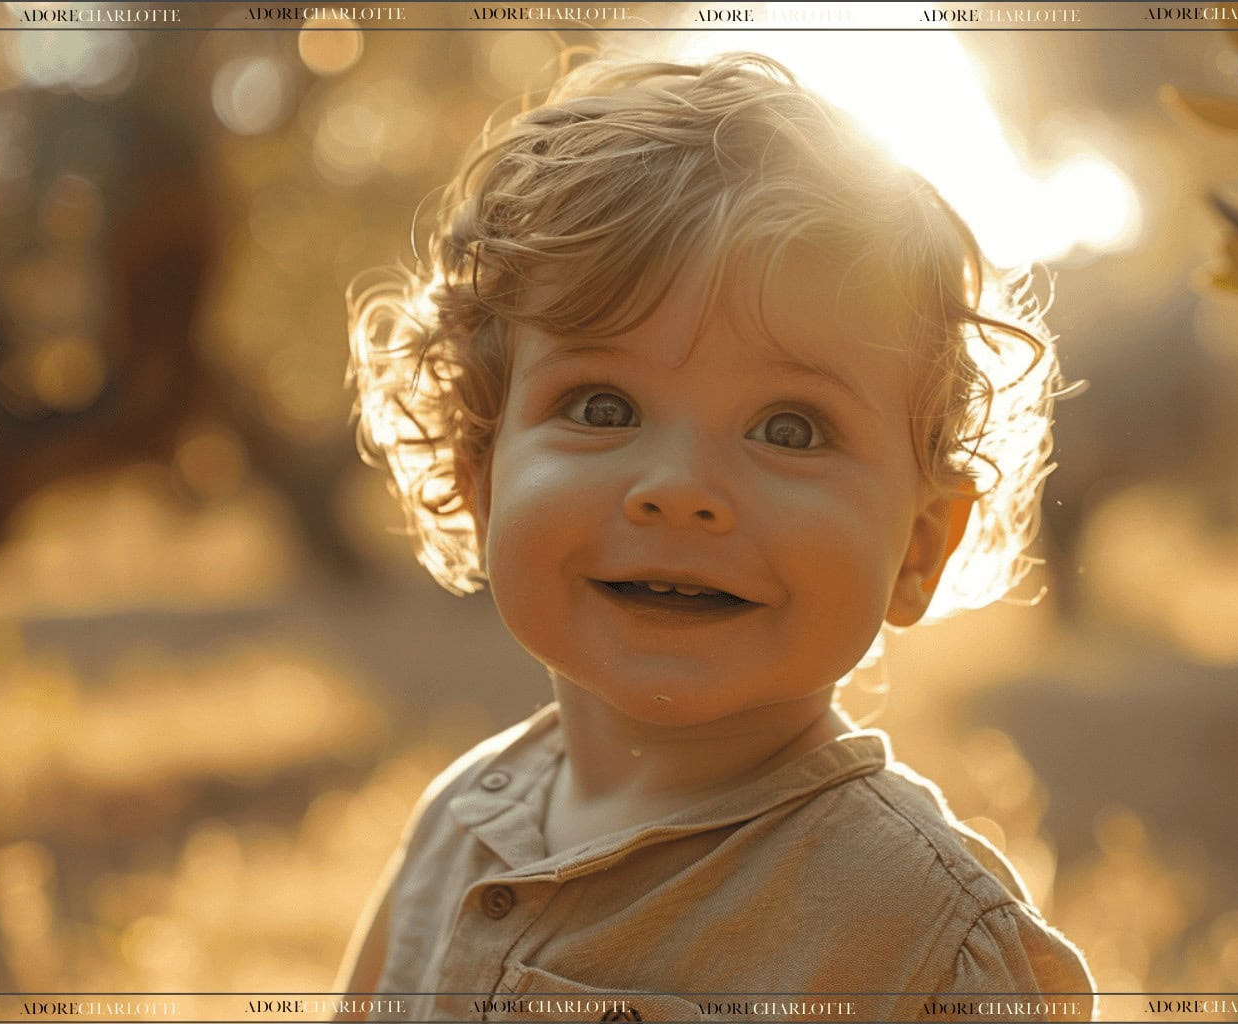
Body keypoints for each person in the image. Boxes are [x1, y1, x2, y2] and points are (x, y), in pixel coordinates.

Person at [336, 51, 1095, 1022]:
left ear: (917, 548)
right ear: (482, 481)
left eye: (790, 428)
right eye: (602, 406)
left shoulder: (929, 947)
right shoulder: (458, 822)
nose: (681, 491)